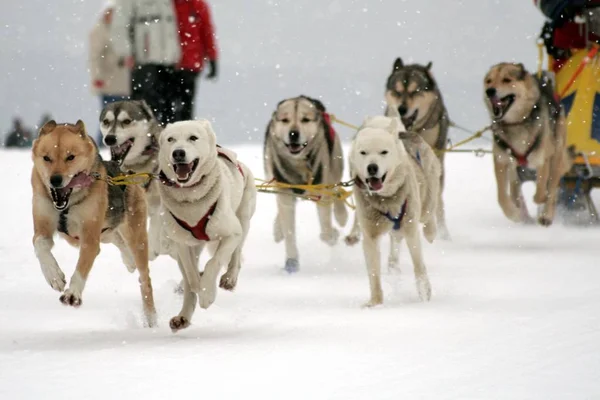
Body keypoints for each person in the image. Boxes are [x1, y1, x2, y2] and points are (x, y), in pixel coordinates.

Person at [110, 0, 181, 125]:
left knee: (169, 110)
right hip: (143, 61)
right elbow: (119, 26)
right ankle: (144, 141)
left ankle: (164, 140)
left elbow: (172, 27)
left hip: (168, 62)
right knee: (144, 109)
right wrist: (125, 52)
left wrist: (176, 54)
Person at [88, 1, 131, 145]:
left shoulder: (121, 31)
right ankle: (102, 147)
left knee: (121, 119)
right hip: (108, 82)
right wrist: (97, 77)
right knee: (109, 118)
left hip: (123, 83)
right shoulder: (99, 31)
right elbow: (94, 57)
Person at [172, 0, 219, 122]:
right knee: (174, 107)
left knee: (183, 106)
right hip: (173, 64)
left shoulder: (197, 5)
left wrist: (213, 59)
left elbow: (207, 33)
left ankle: (181, 132)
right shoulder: (168, 5)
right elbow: (207, 33)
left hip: (188, 65)